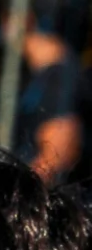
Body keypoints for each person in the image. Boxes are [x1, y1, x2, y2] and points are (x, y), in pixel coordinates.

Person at [14, 19, 84, 183]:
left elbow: (58, 152)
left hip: (42, 199)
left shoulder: (60, 76)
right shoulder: (31, 74)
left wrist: (21, 189)